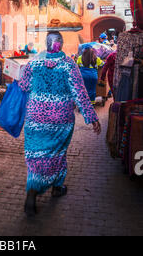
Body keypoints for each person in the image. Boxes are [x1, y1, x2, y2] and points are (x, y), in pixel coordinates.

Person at [18, 32, 101, 217]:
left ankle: (33, 189)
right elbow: (80, 93)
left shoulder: (34, 63)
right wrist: (92, 117)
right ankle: (56, 186)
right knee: (57, 153)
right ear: (61, 44)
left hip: (35, 119)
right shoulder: (69, 64)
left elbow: (23, 86)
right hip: (60, 120)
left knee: (35, 155)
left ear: (47, 44)